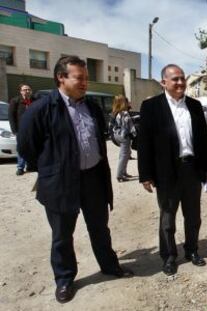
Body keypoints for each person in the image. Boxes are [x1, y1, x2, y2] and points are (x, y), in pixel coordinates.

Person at [17, 56, 131, 304]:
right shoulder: (41, 109)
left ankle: (109, 266)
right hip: (61, 183)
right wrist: (52, 169)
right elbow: (27, 147)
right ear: (61, 77)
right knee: (62, 235)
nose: (84, 83)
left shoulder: (91, 108)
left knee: (100, 228)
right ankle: (65, 279)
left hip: (93, 179)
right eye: (79, 78)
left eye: (86, 78)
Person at [138, 64, 207, 276]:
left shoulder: (195, 106)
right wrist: (146, 174)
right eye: (175, 79)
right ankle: (169, 256)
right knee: (168, 217)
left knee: (193, 216)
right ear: (164, 82)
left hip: (191, 168)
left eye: (182, 78)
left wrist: (206, 168)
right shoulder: (151, 107)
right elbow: (144, 144)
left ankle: (192, 250)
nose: (180, 83)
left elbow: (204, 141)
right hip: (166, 171)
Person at [8, 83, 36, 175]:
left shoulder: (34, 100)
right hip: (21, 130)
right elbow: (11, 117)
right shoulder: (15, 101)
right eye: (25, 90)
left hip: (33, 129)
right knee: (21, 148)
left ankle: (31, 165)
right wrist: (14, 130)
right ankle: (20, 167)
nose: (27, 91)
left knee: (32, 147)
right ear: (21, 91)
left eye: (29, 89)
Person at [111, 95, 136, 182]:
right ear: (123, 103)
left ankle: (124, 172)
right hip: (123, 136)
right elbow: (127, 126)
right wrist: (134, 133)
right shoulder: (124, 113)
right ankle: (120, 175)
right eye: (126, 101)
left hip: (116, 135)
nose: (128, 102)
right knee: (124, 156)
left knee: (124, 154)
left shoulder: (116, 112)